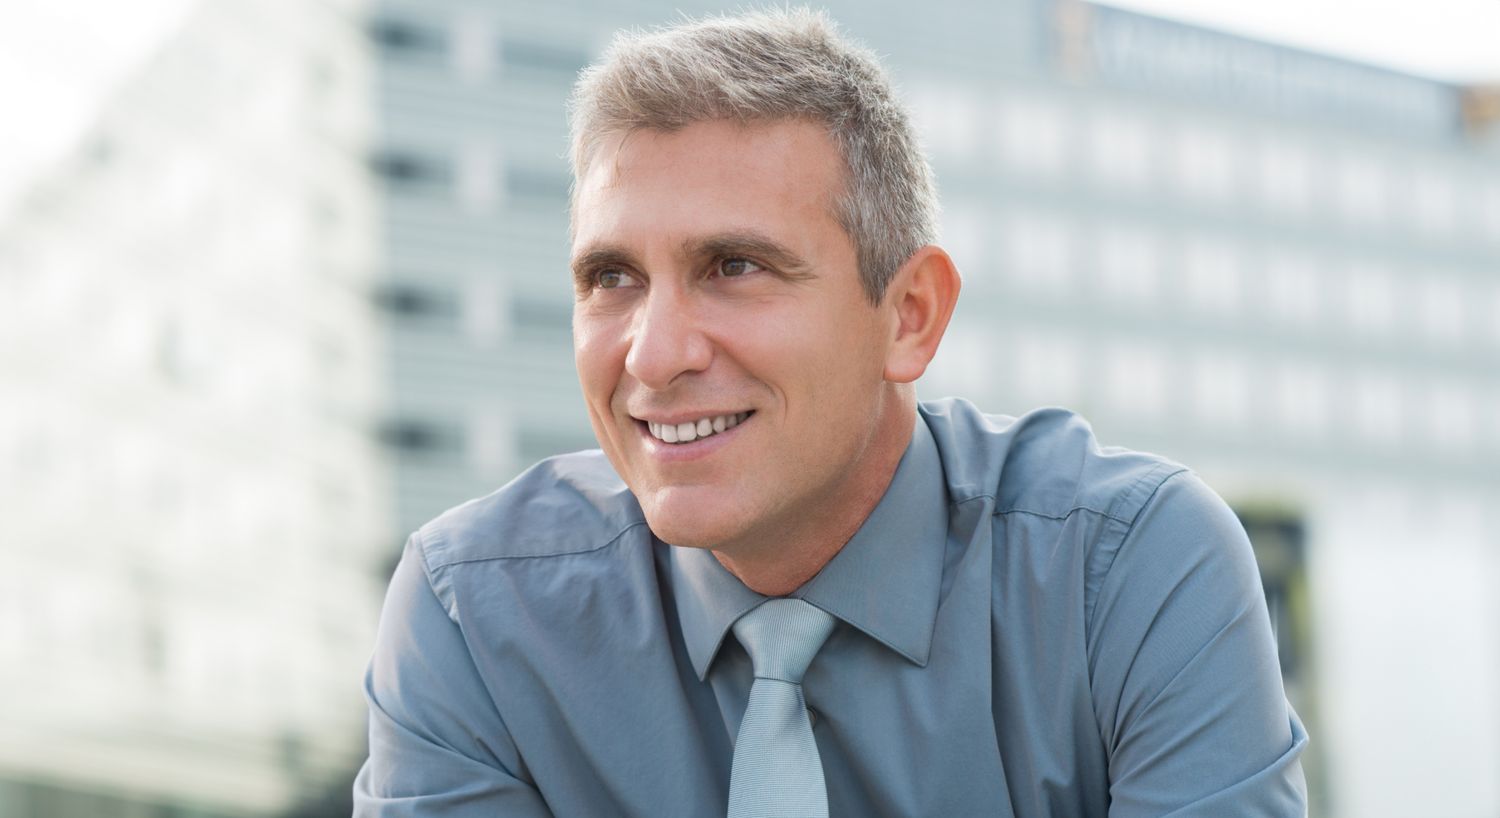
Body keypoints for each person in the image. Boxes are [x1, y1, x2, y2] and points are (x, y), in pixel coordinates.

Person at [353, 8, 1308, 817]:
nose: (652, 352)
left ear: (910, 317)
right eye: (612, 277)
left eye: (735, 267)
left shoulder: (1127, 574)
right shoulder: (472, 616)